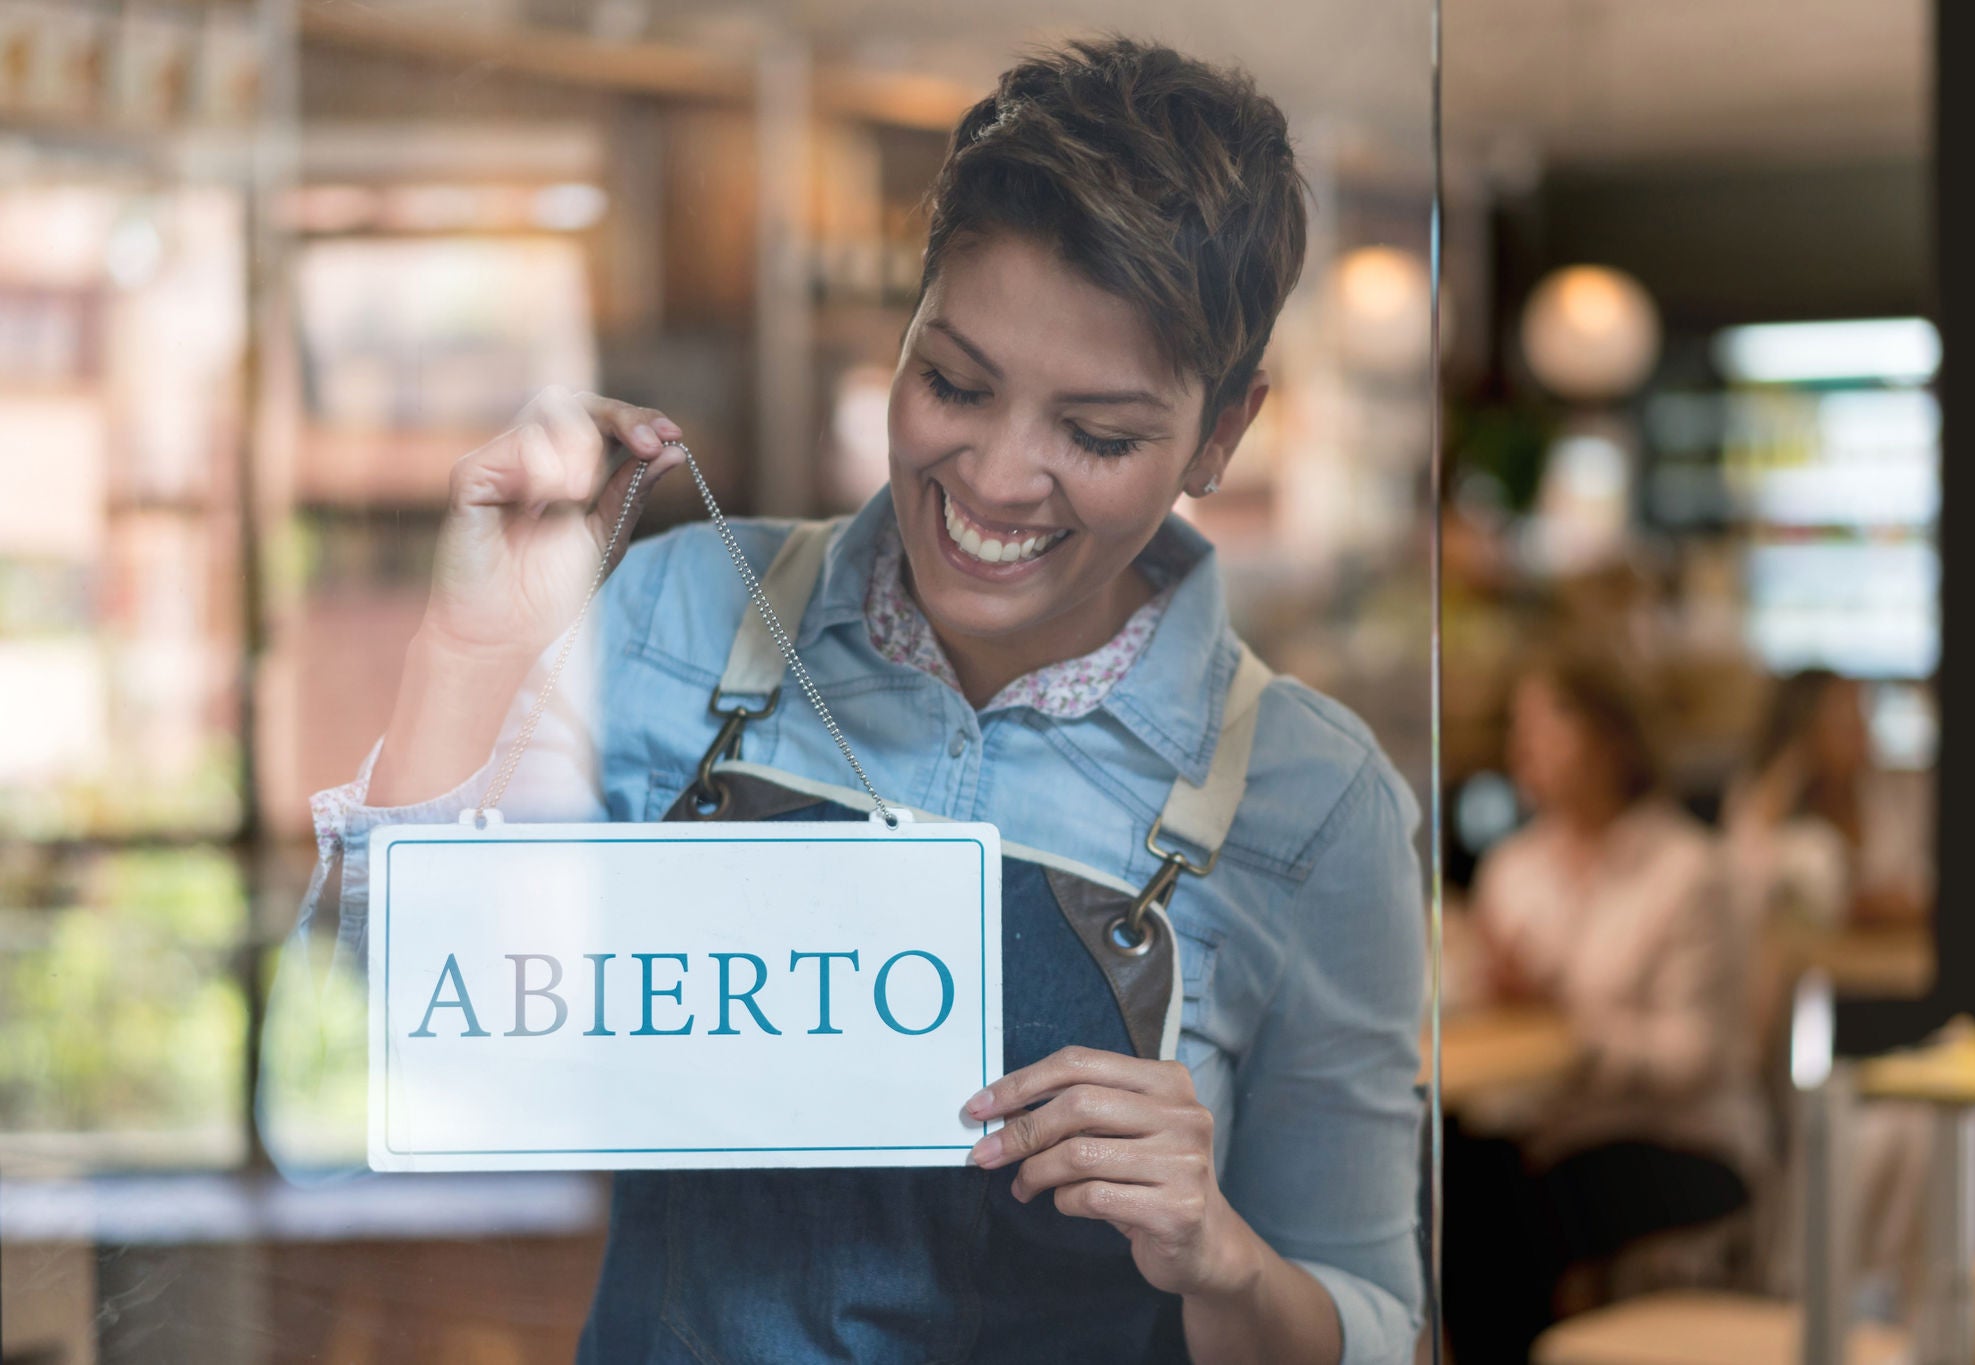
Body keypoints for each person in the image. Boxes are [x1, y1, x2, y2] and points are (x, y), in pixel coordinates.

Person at [285, 38, 1425, 1365]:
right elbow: (361, 1071)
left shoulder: (1314, 808)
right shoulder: (678, 620)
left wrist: (1219, 1258)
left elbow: (1378, 1327)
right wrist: (470, 654)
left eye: (1099, 434)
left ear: (1223, 432)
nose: (998, 476)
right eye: (952, 380)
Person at [1442, 650, 1761, 1363]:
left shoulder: (1689, 870)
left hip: (1678, 1137)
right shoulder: (1513, 869)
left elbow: (1695, 1057)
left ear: (1612, 738)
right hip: (1549, 1131)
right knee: (1444, 1175)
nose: (1524, 746)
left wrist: (1570, 1024)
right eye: (1518, 727)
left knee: (1506, 1218)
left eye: (1548, 725)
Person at [1723, 668, 1933, 932]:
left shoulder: (1887, 792)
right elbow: (1742, 878)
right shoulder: (1767, 798)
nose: (1862, 735)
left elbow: (1918, 881)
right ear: (1808, 729)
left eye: (1862, 717)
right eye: (1845, 722)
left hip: (1887, 959)